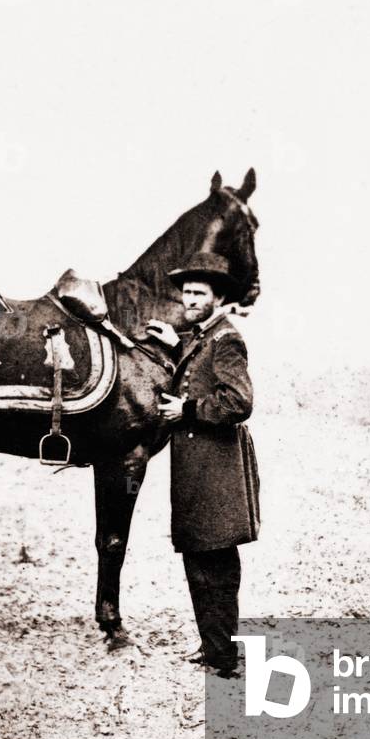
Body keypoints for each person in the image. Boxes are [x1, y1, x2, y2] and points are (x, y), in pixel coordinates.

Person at [145, 252, 260, 678]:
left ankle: (224, 659)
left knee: (216, 563)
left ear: (218, 297)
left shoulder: (227, 339)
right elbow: (198, 363)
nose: (190, 299)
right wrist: (176, 345)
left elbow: (239, 402)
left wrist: (188, 410)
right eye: (188, 292)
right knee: (198, 558)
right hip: (197, 470)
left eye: (199, 293)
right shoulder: (200, 337)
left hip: (216, 470)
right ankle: (212, 646)